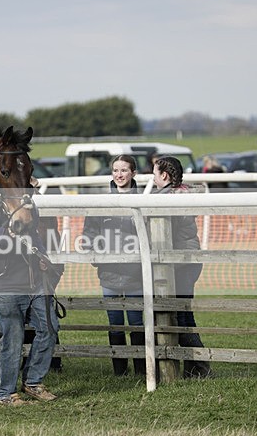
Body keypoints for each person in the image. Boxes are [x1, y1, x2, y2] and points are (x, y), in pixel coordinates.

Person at [0, 200, 62, 406]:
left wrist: (43, 257)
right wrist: (6, 231)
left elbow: (35, 236)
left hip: (34, 283)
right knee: (13, 337)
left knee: (50, 327)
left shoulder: (29, 205)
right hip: (3, 285)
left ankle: (33, 382)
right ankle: (6, 393)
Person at [150, 156, 212, 378]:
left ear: (164, 176)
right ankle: (194, 366)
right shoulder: (181, 193)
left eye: (154, 174)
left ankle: (200, 365)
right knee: (183, 314)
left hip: (183, 262)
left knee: (182, 315)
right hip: (187, 260)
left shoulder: (169, 197)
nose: (153, 178)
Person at [82, 155, 143, 376]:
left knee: (136, 322)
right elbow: (89, 233)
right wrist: (91, 252)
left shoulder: (144, 200)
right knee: (115, 321)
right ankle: (119, 370)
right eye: (116, 170)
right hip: (109, 274)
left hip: (136, 274)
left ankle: (141, 369)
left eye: (124, 170)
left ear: (133, 173)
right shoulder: (101, 203)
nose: (119, 175)